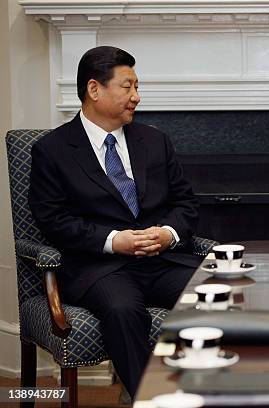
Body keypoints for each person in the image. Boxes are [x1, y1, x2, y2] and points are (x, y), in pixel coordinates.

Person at [29, 46, 202, 398]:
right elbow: (53, 220)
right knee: (123, 309)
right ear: (95, 89)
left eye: (137, 87)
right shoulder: (53, 149)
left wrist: (167, 234)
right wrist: (113, 240)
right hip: (100, 267)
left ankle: (209, 392)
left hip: (161, 260)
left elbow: (185, 202)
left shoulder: (154, 140)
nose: (137, 97)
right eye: (128, 86)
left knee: (216, 294)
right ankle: (147, 400)